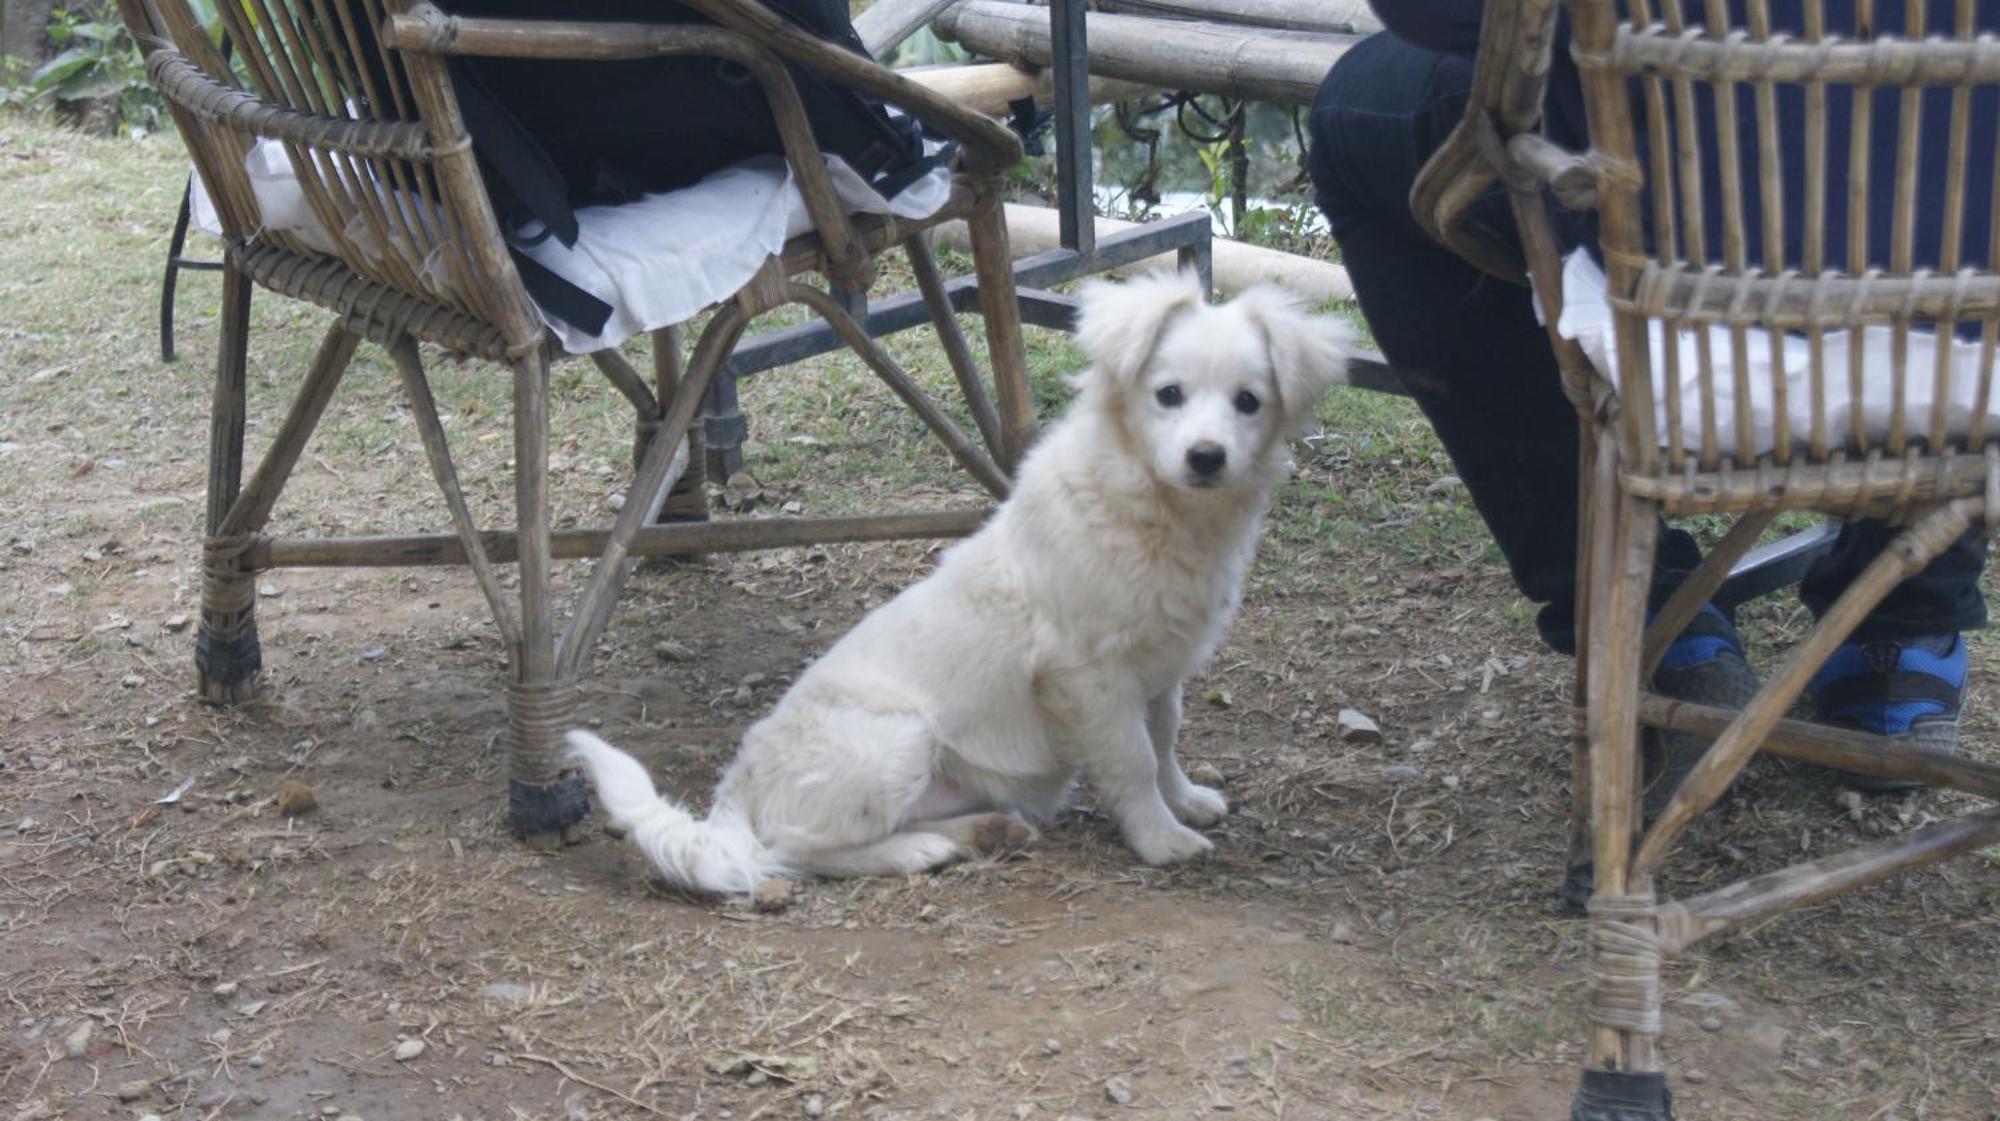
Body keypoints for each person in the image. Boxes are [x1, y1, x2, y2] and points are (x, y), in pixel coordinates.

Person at [1305, 1, 1997, 806]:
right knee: (1927, 128)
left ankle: (1653, 625)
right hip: (1964, 362)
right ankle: (1902, 634)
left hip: (1695, 332)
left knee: (1357, 111)